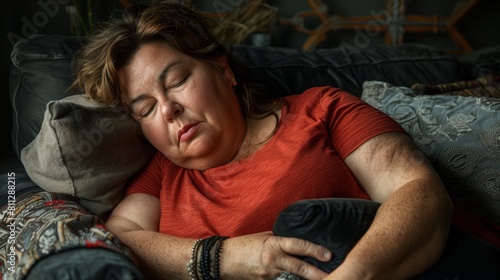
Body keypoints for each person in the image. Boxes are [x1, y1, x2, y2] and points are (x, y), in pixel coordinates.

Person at [70, 2, 455, 279]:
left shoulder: (321, 110)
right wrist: (221, 257)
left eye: (177, 82)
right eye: (146, 109)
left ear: (223, 70)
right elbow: (118, 240)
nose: (168, 109)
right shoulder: (160, 175)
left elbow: (419, 192)